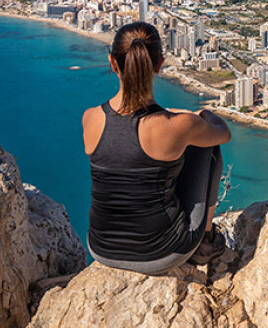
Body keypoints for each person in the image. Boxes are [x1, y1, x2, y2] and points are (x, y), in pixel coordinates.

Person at [82, 21, 232, 274]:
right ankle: (206, 239)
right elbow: (223, 133)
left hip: (101, 247)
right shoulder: (176, 125)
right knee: (207, 146)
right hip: (161, 253)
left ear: (113, 63)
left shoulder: (91, 117)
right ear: (159, 65)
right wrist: (200, 114)